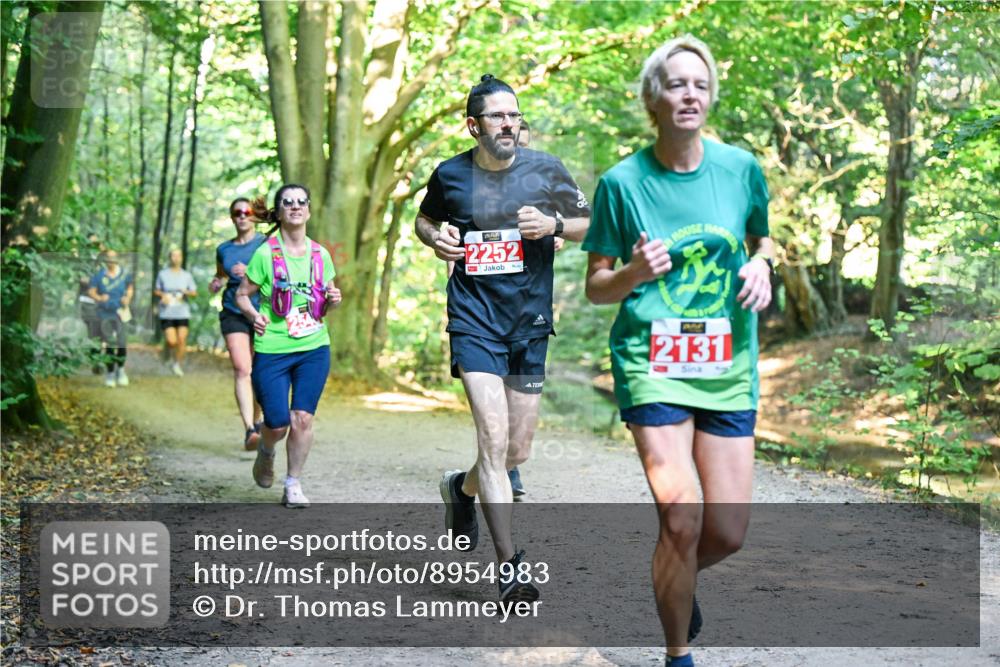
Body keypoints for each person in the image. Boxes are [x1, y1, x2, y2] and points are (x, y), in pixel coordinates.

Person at [582, 36, 774, 667]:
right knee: (682, 518)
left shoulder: (741, 169)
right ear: (653, 99)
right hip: (651, 363)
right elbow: (596, 287)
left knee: (726, 532)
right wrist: (635, 272)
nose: (689, 93)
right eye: (675, 84)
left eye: (699, 84)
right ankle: (675, 656)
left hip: (727, 365)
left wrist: (763, 268)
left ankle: (677, 571)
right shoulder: (622, 182)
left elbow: (762, 242)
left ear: (709, 96)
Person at [415, 74, 590, 603]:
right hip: (473, 320)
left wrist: (555, 225)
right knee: (492, 441)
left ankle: (459, 489)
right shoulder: (450, 175)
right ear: (474, 125)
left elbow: (591, 221)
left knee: (516, 450)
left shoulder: (546, 169)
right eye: (498, 116)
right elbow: (423, 222)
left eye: (514, 114)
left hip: (529, 322)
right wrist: (437, 238)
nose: (510, 122)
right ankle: (510, 567)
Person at [236, 184, 341, 508]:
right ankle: (266, 451)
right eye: (287, 202)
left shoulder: (320, 255)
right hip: (273, 348)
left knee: (303, 419)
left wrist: (334, 301)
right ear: (279, 212)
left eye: (301, 202)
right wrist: (255, 315)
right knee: (278, 421)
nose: (295, 207)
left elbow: (326, 300)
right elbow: (242, 295)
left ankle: (293, 483)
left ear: (308, 210)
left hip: (313, 347)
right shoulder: (266, 253)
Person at [210, 198, 267, 449]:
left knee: (259, 372)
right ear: (232, 217)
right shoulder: (224, 249)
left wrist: (253, 271)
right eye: (237, 213)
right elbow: (221, 274)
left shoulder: (267, 243)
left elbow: (281, 273)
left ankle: (258, 422)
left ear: (254, 216)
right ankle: (248, 429)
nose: (242, 216)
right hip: (234, 311)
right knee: (242, 368)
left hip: (264, 312)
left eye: (247, 212)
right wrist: (217, 282)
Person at [88, 249, 134, 388]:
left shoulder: (124, 274)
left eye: (113, 257)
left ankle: (120, 370)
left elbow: (130, 288)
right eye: (108, 257)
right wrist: (99, 297)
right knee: (109, 342)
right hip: (105, 313)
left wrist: (128, 298)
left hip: (121, 312)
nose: (111, 260)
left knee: (121, 342)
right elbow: (91, 291)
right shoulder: (99, 275)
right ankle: (110, 373)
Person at [154, 248, 197, 376]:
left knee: (182, 339)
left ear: (182, 258)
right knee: (172, 341)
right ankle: (166, 351)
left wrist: (186, 292)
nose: (176, 258)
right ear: (170, 258)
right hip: (167, 311)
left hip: (182, 311)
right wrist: (163, 296)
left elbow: (194, 292)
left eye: (178, 256)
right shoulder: (163, 274)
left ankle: (177, 364)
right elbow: (156, 290)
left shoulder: (187, 275)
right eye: (173, 256)